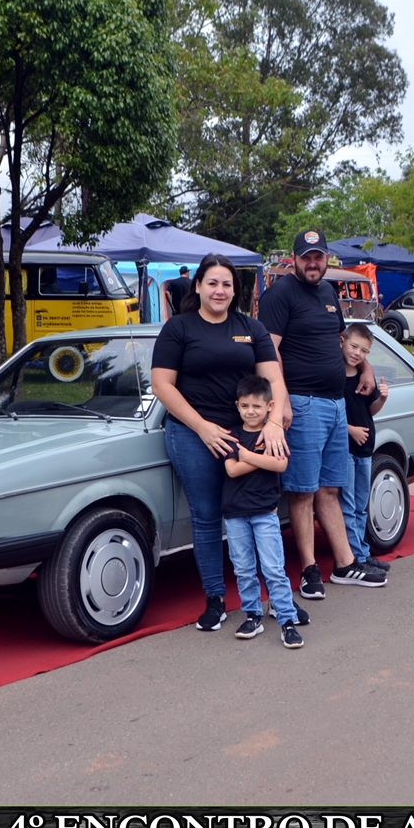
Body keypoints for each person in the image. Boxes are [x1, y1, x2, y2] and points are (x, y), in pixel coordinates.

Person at [151, 254, 289, 631]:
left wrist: (273, 423)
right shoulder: (178, 328)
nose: (219, 290)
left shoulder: (251, 327)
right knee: (207, 515)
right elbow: (162, 384)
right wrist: (202, 427)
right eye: (212, 282)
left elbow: (274, 380)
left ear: (234, 290)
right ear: (197, 286)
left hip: (247, 433)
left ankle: (278, 601)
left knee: (261, 512)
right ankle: (215, 598)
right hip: (193, 434)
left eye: (227, 284)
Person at [259, 228, 386, 598]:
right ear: (294, 259)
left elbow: (341, 339)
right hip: (303, 403)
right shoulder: (279, 294)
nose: (313, 263)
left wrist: (366, 368)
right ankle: (309, 570)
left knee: (330, 488)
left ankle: (345, 564)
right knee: (303, 491)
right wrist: (282, 400)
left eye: (319, 257)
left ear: (327, 258)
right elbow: (269, 351)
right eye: (306, 257)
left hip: (335, 403)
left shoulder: (329, 292)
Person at [222, 374, 310, 649]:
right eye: (245, 406)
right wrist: (263, 458)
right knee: (243, 568)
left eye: (257, 406)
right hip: (235, 514)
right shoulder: (232, 435)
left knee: (273, 568)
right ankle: (253, 616)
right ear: (237, 406)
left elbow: (280, 465)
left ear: (270, 406)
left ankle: (287, 620)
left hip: (265, 513)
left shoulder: (272, 434)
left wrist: (248, 456)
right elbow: (232, 469)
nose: (250, 411)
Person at [339, 324, 391, 574]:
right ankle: (353, 557)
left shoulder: (364, 377)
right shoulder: (335, 375)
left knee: (361, 505)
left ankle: (362, 552)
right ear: (342, 342)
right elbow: (331, 413)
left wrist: (382, 398)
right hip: (346, 448)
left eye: (364, 351)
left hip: (365, 450)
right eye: (354, 346)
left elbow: (370, 409)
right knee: (348, 505)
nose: (357, 353)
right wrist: (350, 429)